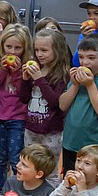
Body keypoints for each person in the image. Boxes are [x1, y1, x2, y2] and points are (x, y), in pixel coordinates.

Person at [59, 34, 98, 174]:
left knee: (93, 183)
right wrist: (74, 85)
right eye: (81, 57)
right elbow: (63, 105)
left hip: (95, 145)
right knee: (71, 180)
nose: (84, 62)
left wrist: (90, 84)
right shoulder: (77, 79)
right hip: (71, 142)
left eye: (91, 58)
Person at [0, 24, 33, 191]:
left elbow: (24, 92)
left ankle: (17, 192)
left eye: (18, 48)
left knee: (15, 158)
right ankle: (0, 191)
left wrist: (16, 72)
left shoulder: (28, 65)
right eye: (9, 47)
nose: (12, 52)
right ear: (2, 45)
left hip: (18, 118)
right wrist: (2, 70)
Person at [24, 29, 70, 160]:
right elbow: (23, 98)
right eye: (37, 50)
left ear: (58, 50)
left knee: (50, 168)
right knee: (30, 163)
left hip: (51, 130)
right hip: (31, 128)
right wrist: (25, 80)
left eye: (44, 50)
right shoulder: (36, 69)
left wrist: (39, 79)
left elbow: (55, 102)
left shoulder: (62, 75)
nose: (39, 54)